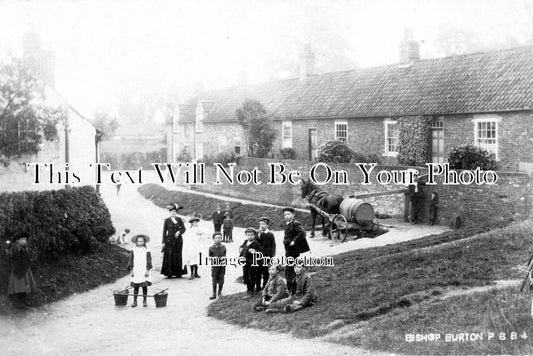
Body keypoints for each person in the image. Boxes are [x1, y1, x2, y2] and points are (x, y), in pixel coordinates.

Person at [5, 234, 37, 309]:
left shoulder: (25, 248)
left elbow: (27, 257)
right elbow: (11, 255)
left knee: (25, 285)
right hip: (18, 269)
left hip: (25, 269)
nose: (24, 241)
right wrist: (8, 247)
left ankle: (24, 300)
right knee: (19, 286)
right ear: (17, 241)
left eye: (25, 240)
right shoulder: (15, 247)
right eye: (22, 240)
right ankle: (20, 303)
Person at [282, 207, 310, 294]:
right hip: (288, 249)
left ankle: (292, 289)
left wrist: (294, 241)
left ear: (293, 215)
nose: (286, 216)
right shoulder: (287, 224)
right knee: (290, 269)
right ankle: (292, 289)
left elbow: (302, 233)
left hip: (294, 249)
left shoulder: (295, 223)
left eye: (288, 214)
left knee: (289, 270)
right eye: (285, 215)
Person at [161, 203, 187, 278]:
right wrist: (163, 242)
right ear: (170, 212)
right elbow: (164, 231)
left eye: (174, 211)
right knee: (169, 256)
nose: (173, 213)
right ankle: (169, 273)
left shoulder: (179, 219)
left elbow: (183, 228)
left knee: (177, 256)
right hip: (169, 240)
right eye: (172, 211)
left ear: (176, 212)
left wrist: (179, 232)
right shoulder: (167, 220)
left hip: (178, 240)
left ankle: (178, 273)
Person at [128, 234, 152, 308]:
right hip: (136, 270)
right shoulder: (133, 250)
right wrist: (131, 270)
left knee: (144, 286)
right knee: (136, 286)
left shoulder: (147, 250)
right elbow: (130, 260)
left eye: (142, 241)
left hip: (144, 270)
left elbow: (149, 260)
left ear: (144, 242)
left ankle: (144, 300)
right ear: (136, 242)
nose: (140, 243)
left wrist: (147, 270)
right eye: (139, 241)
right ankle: (135, 301)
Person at [239, 227, 264, 299]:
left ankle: (251, 292)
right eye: (248, 235)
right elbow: (241, 247)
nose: (250, 236)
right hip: (245, 263)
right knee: (246, 276)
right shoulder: (245, 242)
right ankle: (248, 290)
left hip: (252, 263)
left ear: (254, 235)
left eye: (251, 235)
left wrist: (255, 251)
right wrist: (240, 249)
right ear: (246, 235)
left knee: (252, 277)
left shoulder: (256, 243)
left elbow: (261, 252)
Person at [257, 216, 276, 290]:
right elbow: (256, 243)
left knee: (266, 272)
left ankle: (265, 287)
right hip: (259, 256)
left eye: (264, 224)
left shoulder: (270, 234)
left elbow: (273, 245)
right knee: (258, 271)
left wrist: (273, 255)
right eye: (260, 224)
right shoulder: (258, 233)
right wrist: (259, 235)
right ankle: (258, 287)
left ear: (267, 225)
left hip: (267, 256)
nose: (262, 226)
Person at [208, 232, 226, 300]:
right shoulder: (211, 248)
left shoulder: (223, 247)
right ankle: (214, 293)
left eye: (219, 238)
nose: (217, 239)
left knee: (221, 278)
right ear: (213, 239)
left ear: (221, 239)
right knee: (214, 278)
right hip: (215, 266)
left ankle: (220, 293)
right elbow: (210, 257)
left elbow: (224, 255)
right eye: (216, 238)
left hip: (222, 266)